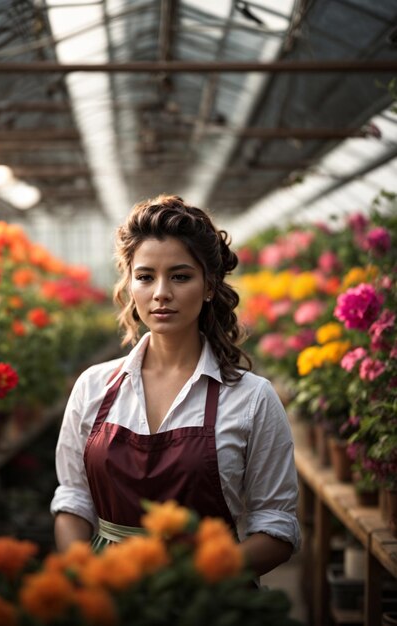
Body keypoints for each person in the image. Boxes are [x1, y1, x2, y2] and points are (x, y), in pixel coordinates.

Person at [51, 194, 300, 577]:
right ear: (130, 284)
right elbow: (74, 499)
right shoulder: (93, 387)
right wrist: (81, 573)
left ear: (209, 287)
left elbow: (276, 526)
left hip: (209, 599)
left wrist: (196, 579)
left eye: (180, 276)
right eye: (145, 276)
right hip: (109, 593)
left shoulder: (252, 398)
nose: (161, 293)